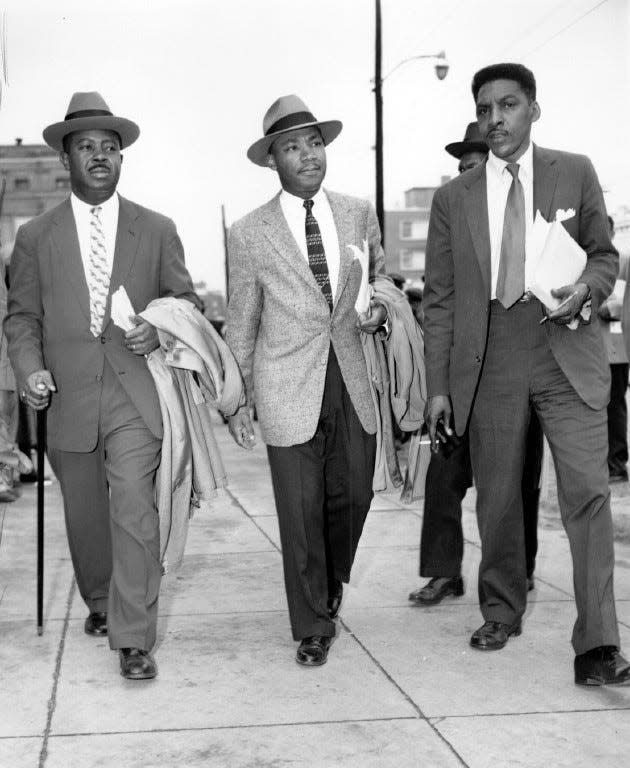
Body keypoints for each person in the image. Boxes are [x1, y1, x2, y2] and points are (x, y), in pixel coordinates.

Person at [423, 63, 630, 686]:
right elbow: (439, 298)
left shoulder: (576, 170)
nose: (495, 119)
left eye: (508, 106)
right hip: (491, 354)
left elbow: (604, 254)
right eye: (485, 109)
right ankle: (501, 608)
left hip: (565, 344)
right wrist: (437, 387)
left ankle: (597, 644)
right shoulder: (450, 199)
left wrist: (586, 292)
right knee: (500, 495)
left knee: (587, 496)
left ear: (533, 109)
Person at [5, 92, 200, 680]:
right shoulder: (35, 236)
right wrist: (28, 369)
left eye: (110, 148)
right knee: (86, 517)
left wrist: (158, 331)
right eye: (86, 147)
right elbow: (21, 319)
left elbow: (184, 302)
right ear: (65, 159)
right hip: (64, 394)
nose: (99, 156)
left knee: (137, 510)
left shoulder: (157, 228)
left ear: (122, 159)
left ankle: (133, 636)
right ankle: (99, 600)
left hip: (136, 389)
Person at [226, 95, 387, 667]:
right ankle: (312, 622)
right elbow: (241, 321)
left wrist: (381, 309)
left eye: (315, 143)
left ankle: (330, 578)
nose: (308, 155)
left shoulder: (358, 212)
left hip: (351, 377)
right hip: (284, 382)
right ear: (273, 159)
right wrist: (235, 397)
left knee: (356, 494)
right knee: (299, 511)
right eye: (293, 147)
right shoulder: (248, 234)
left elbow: (381, 282)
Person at [409, 122, 543, 607]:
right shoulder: (453, 214)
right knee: (443, 474)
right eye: (464, 166)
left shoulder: (520, 217)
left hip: (516, 366)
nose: (470, 173)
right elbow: (437, 302)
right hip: (463, 373)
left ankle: (519, 567)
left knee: (516, 478)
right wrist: (436, 383)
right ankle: (444, 571)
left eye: (479, 163)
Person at [597, 215, 629, 483]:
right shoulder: (591, 261)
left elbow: (616, 305)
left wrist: (600, 308)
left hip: (616, 348)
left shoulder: (621, 261)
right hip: (595, 348)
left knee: (614, 406)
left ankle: (617, 465)